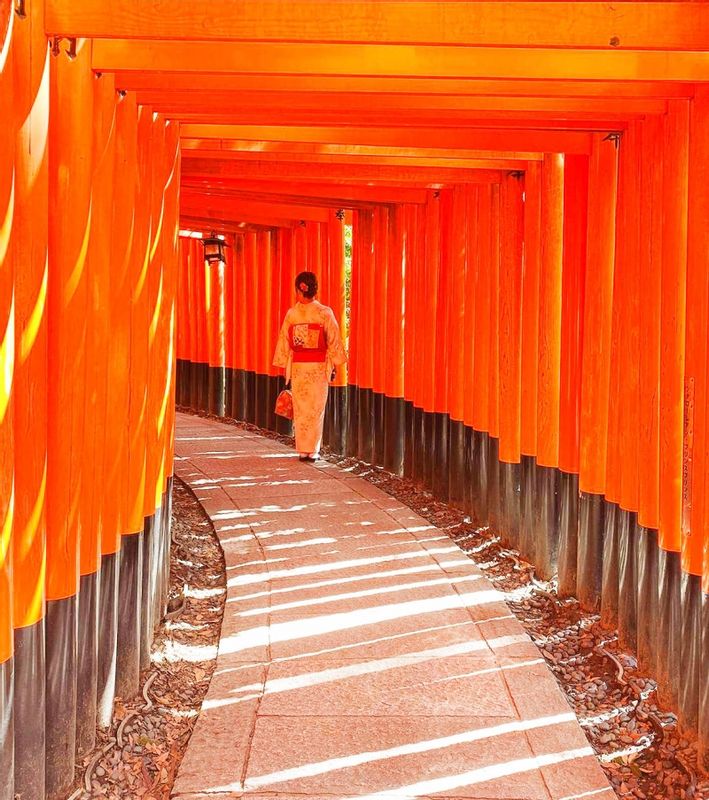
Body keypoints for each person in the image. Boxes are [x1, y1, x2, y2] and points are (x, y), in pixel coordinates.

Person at [273, 271, 347, 461]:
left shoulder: (292, 314)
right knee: (315, 409)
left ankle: (302, 449)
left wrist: (283, 361)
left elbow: (285, 342)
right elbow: (334, 341)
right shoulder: (325, 312)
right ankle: (313, 450)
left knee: (302, 407)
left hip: (299, 367)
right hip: (318, 367)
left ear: (299, 289)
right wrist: (335, 363)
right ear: (314, 290)